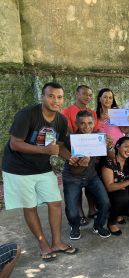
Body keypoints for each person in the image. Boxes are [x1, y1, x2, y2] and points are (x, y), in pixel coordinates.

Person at [2, 82, 77, 260]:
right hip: (18, 169)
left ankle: (57, 242)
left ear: (63, 100)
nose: (55, 100)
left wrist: (70, 158)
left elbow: (57, 146)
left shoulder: (61, 120)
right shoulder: (27, 114)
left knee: (55, 202)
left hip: (42, 168)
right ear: (43, 97)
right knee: (30, 206)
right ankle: (43, 243)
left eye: (59, 97)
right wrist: (45, 151)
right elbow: (15, 143)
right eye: (51, 96)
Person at [62, 110, 111, 240]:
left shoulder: (97, 136)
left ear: (94, 123)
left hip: (91, 175)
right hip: (72, 177)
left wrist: (108, 146)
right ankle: (74, 226)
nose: (86, 126)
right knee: (72, 210)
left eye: (89, 123)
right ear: (76, 123)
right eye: (82, 123)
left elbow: (102, 154)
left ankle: (98, 226)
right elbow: (72, 167)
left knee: (105, 202)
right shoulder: (70, 140)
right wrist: (79, 163)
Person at [61, 85, 98, 222]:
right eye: (84, 94)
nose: (87, 97)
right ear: (77, 94)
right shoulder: (67, 110)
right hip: (74, 148)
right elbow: (69, 130)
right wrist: (78, 143)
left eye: (89, 95)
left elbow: (94, 130)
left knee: (90, 178)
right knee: (76, 181)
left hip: (89, 147)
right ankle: (80, 212)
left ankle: (92, 208)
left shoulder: (92, 112)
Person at [101, 136, 129, 235]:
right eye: (126, 146)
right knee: (122, 196)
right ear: (117, 146)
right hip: (109, 194)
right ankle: (111, 222)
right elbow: (109, 187)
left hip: (122, 193)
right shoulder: (109, 161)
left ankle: (118, 214)